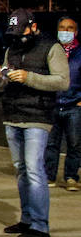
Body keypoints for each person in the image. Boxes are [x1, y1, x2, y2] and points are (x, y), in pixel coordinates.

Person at [0, 9, 68, 237]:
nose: (17, 35)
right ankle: (27, 218)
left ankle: (40, 225)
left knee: (34, 169)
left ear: (33, 27)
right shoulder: (12, 49)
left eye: (21, 30)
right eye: (13, 31)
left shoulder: (51, 47)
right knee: (22, 170)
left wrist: (29, 78)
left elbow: (63, 81)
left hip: (38, 116)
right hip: (13, 114)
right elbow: (0, 87)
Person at [43, 16, 80, 192]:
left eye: (70, 28)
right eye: (62, 28)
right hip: (53, 104)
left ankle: (71, 177)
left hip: (74, 106)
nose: (65, 31)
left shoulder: (80, 53)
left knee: (75, 143)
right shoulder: (50, 51)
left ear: (76, 32)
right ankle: (49, 175)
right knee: (51, 143)